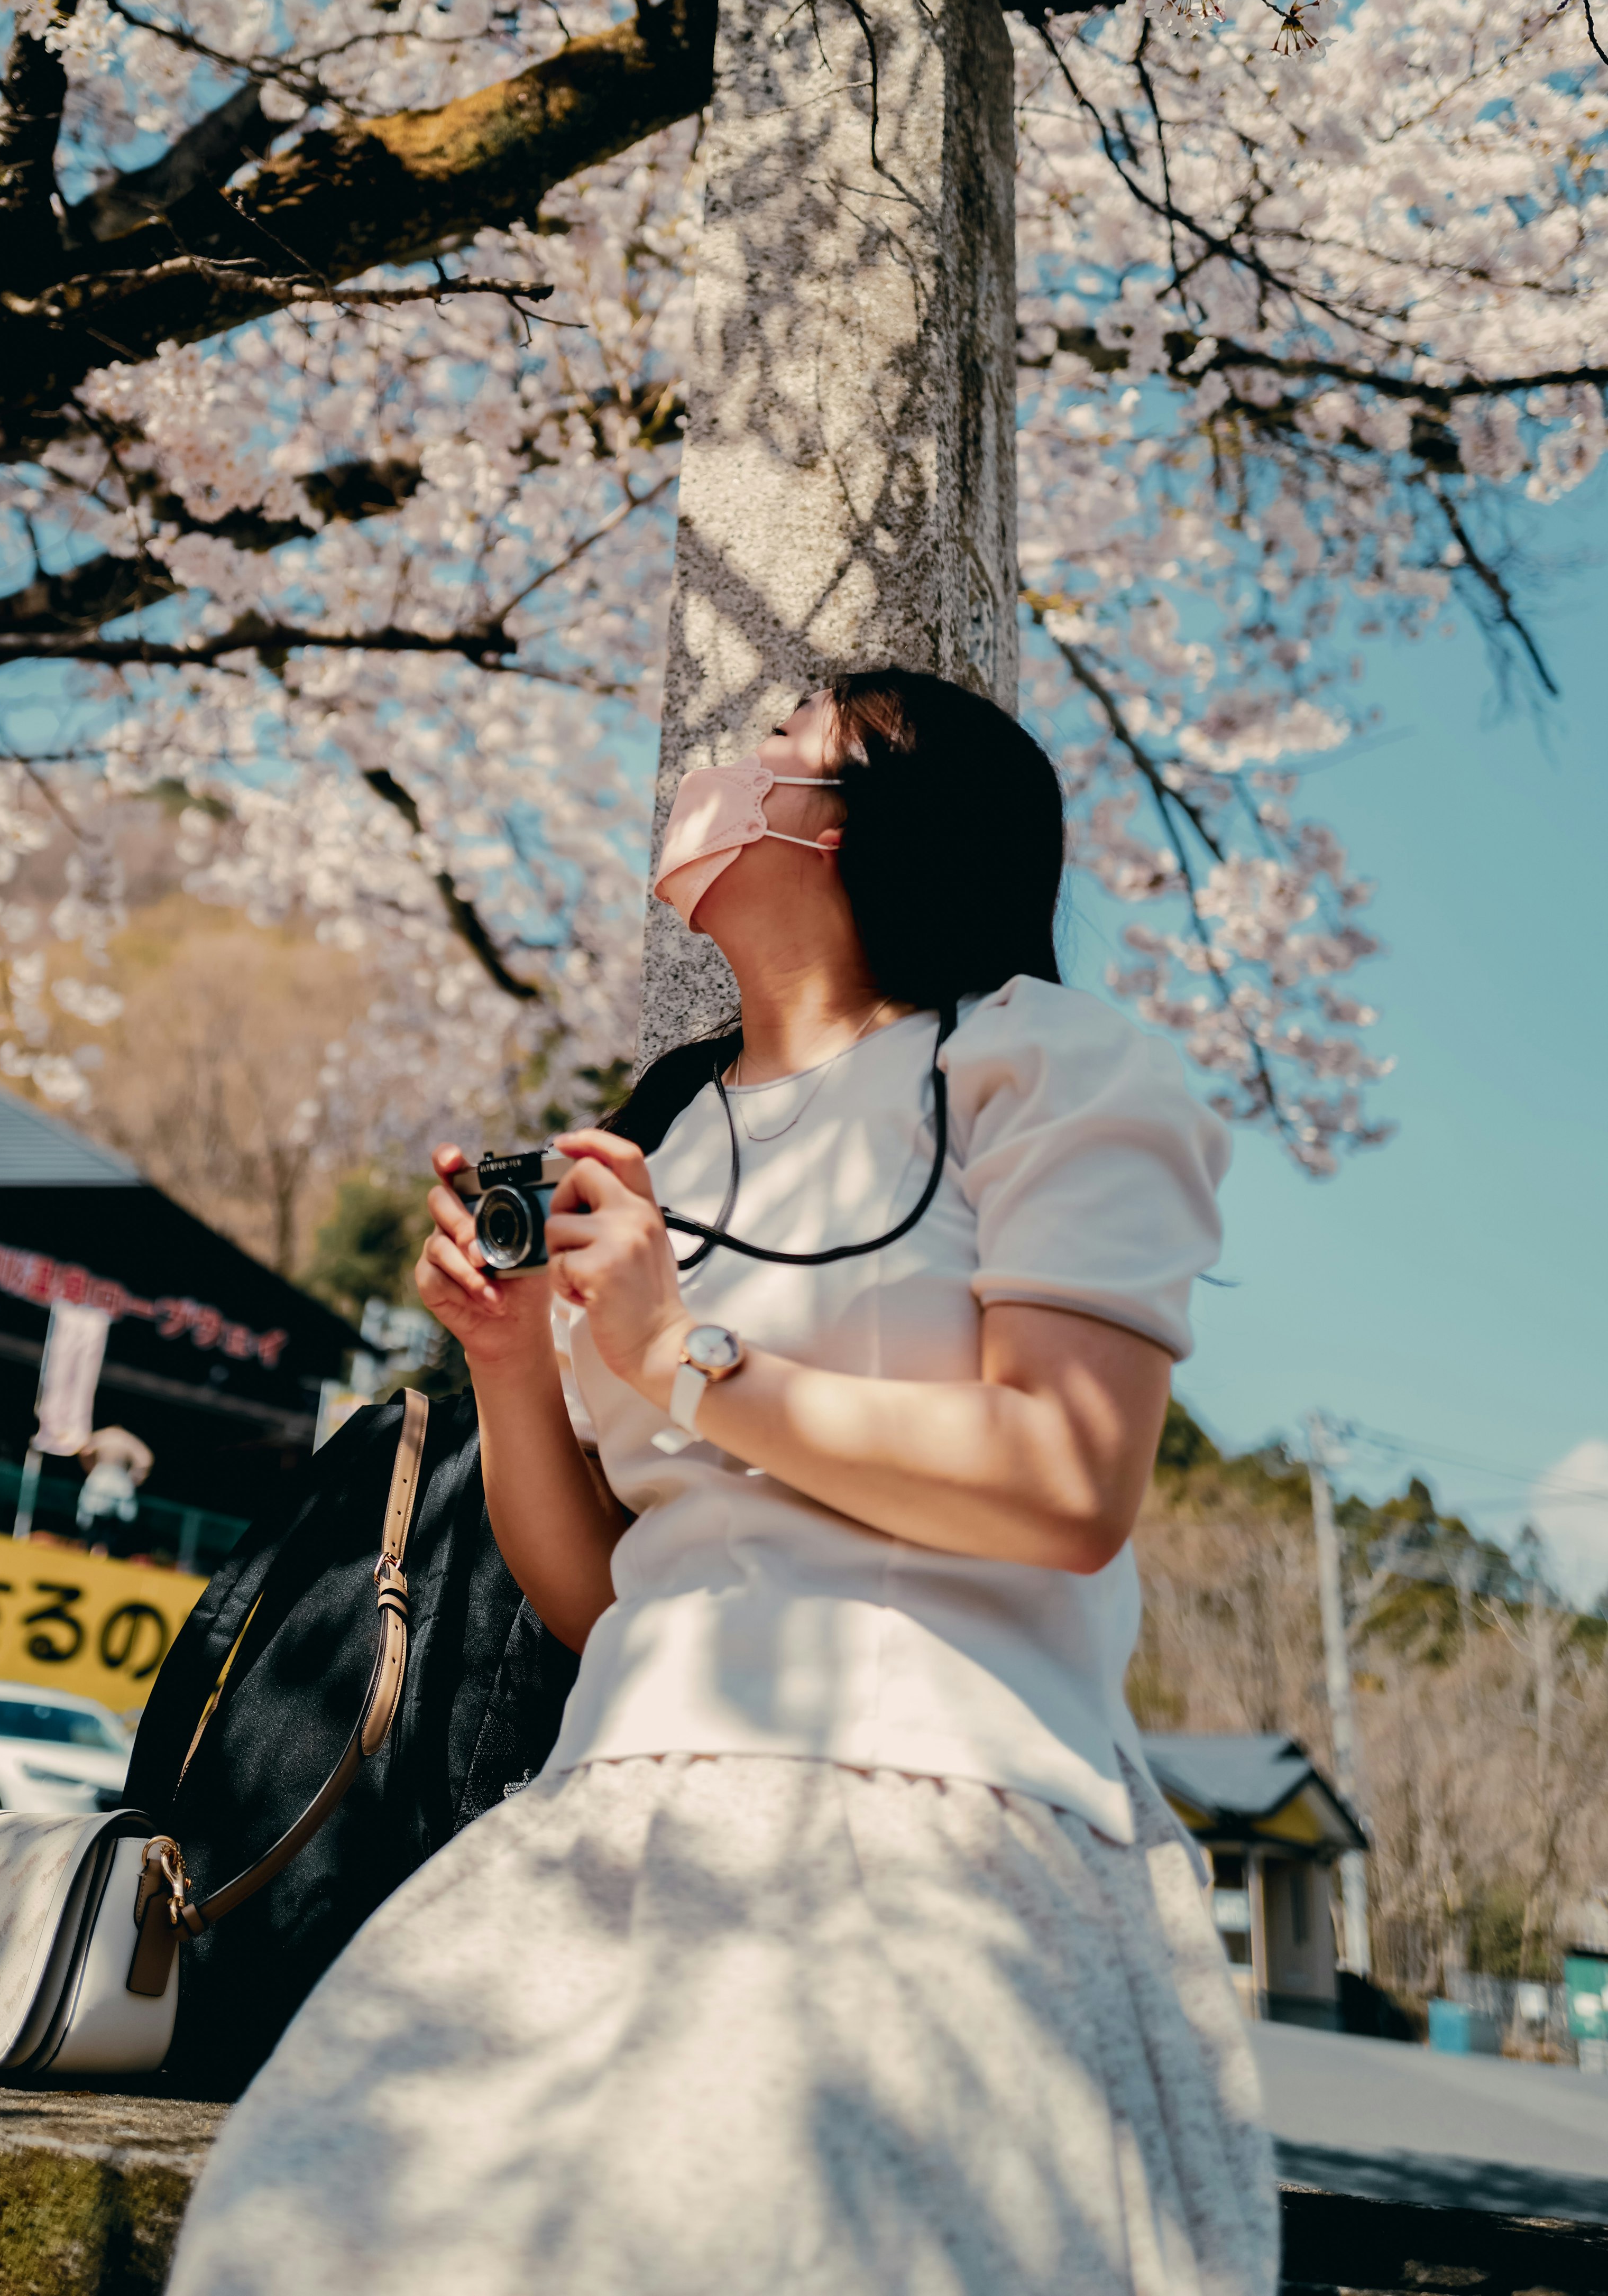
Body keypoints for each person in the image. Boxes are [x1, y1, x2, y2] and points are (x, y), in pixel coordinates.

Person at [168, 670, 1279, 2296]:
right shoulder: (667, 1134)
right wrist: (508, 1354)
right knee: (316, 2225)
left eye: (779, 742)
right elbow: (599, 1588)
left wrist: (688, 1353)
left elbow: (1068, 1476)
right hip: (620, 1795)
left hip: (933, 1803)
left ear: (863, 823)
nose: (718, 768)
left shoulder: (1054, 1065)